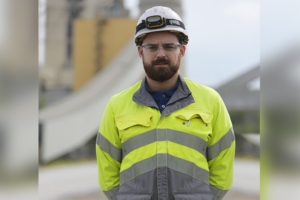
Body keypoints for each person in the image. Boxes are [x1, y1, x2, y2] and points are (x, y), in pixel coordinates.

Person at [96, 6, 235, 200]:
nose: (160, 54)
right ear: (140, 52)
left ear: (182, 50)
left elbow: (223, 169)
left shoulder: (211, 101)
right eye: (151, 47)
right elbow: (107, 173)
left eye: (169, 46)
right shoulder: (116, 106)